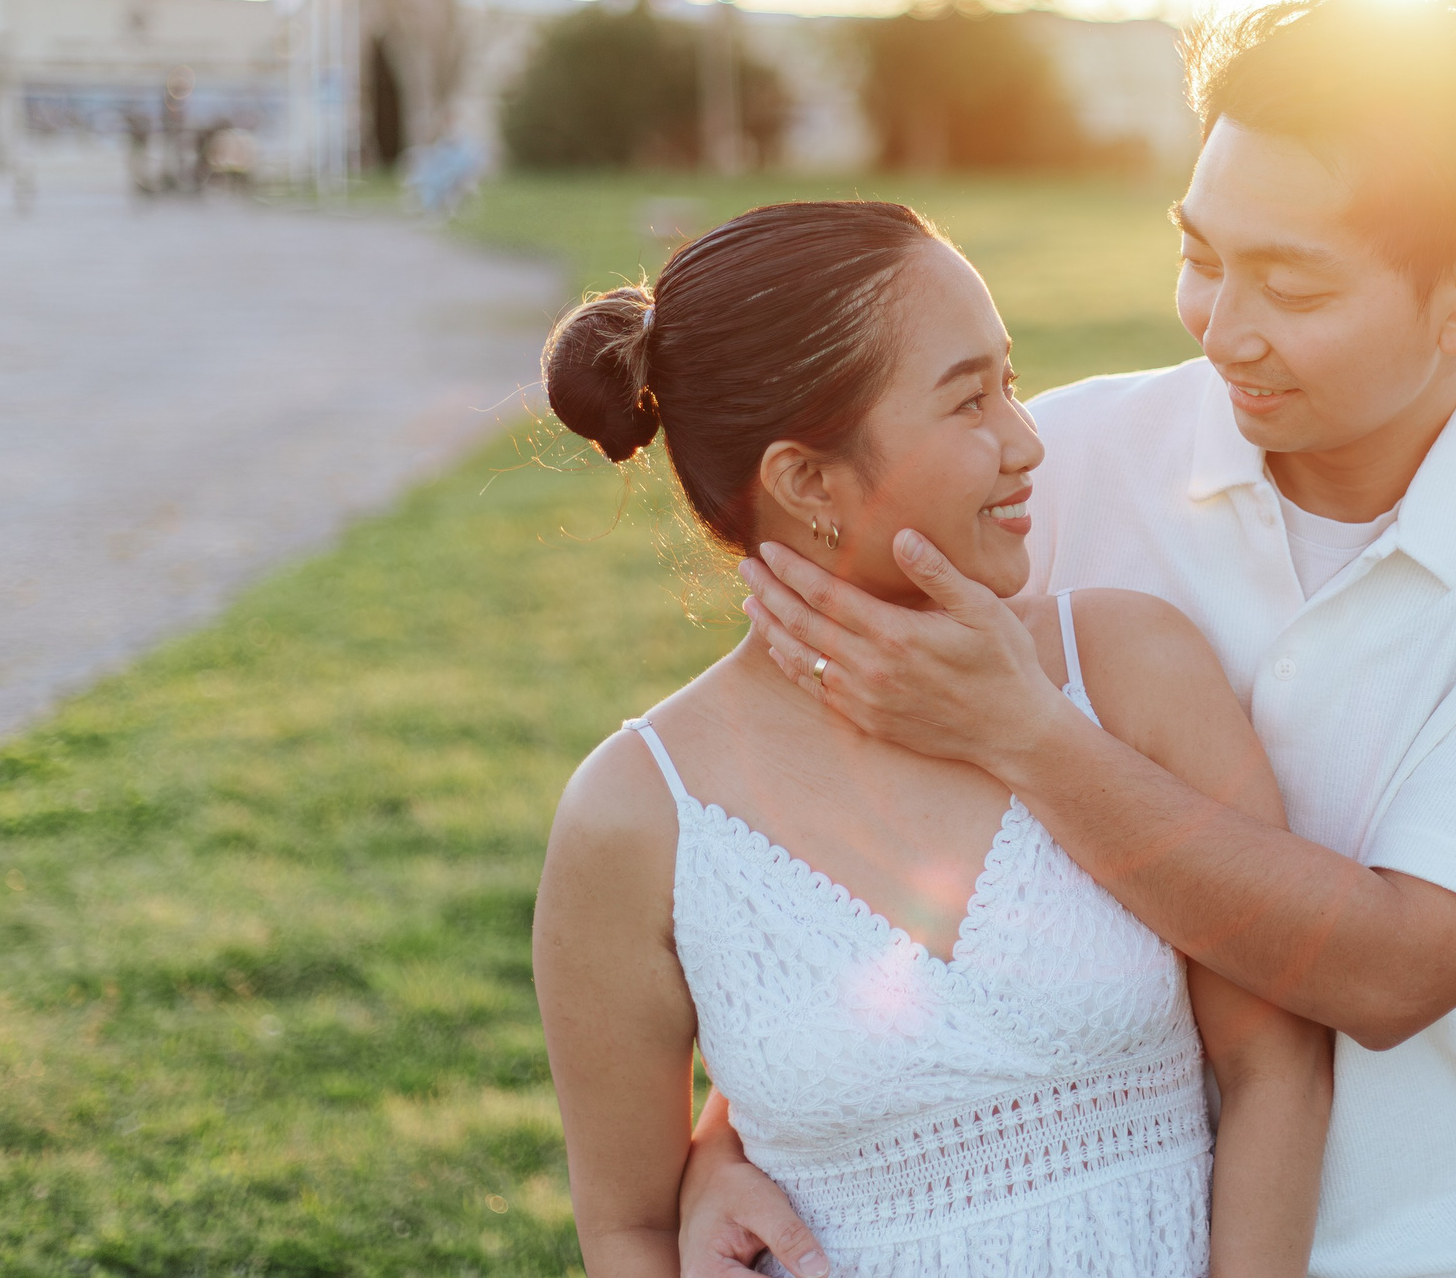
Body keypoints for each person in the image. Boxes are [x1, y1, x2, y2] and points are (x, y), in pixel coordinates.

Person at [691, 0, 1456, 1278]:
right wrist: (730, 1138)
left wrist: (1029, 735)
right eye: (1203, 253)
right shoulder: (1055, 463)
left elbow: (1392, 969)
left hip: (1429, 1242)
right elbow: (843, 825)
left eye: (1290, 282)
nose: (1222, 327)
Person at [532, 200, 1331, 1278]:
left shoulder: (1130, 668)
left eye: (1009, 377)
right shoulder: (635, 813)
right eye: (969, 400)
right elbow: (626, 1224)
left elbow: (1277, 1064)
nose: (1025, 438)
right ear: (808, 483)